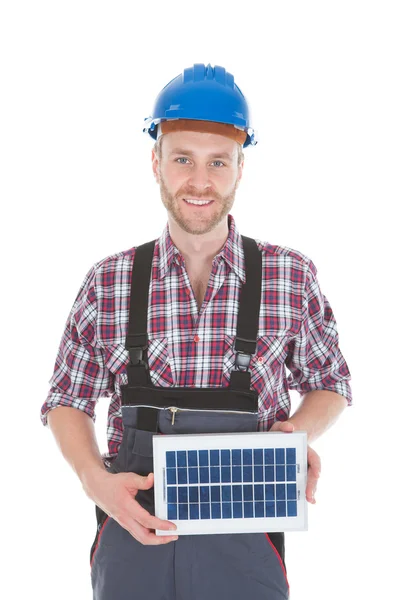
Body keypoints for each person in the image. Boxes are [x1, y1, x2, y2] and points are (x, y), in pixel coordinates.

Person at [41, 63, 352, 599]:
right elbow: (67, 398)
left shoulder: (290, 275)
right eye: (182, 158)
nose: (200, 181)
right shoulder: (108, 280)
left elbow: (332, 383)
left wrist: (289, 436)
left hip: (247, 535)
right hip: (133, 526)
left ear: (240, 167)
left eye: (218, 162)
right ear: (155, 162)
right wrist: (94, 480)